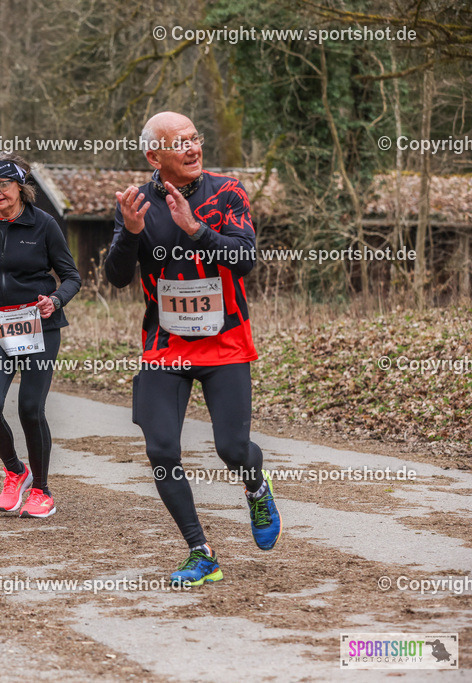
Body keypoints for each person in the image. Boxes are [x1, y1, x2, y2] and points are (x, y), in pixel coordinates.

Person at [103, 111, 280, 586]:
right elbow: (116, 277)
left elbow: (244, 258)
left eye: (194, 138)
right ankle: (201, 552)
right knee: (161, 450)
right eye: (179, 142)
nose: (192, 148)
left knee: (232, 448)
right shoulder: (136, 204)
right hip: (167, 346)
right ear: (153, 156)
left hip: (225, 342)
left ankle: (255, 486)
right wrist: (131, 233)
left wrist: (197, 229)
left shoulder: (227, 192)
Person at [0, 152, 81, 518]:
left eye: (3, 184)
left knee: (30, 408)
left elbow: (72, 277)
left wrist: (55, 300)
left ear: (19, 186)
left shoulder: (43, 224)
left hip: (39, 326)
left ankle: (42, 490)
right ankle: (16, 471)